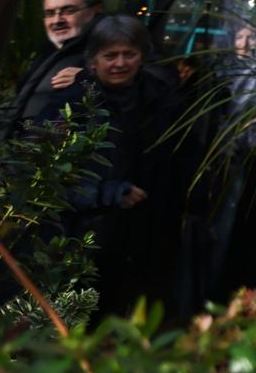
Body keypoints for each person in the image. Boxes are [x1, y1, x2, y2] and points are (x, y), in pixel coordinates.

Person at [70, 16, 184, 315]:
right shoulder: (73, 102)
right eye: (110, 56)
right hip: (82, 234)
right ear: (93, 61)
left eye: (129, 54)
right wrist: (106, 193)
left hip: (140, 233)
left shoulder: (160, 99)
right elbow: (46, 174)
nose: (120, 63)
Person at [6, 0, 103, 128]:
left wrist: (90, 77)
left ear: (96, 10)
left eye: (69, 11)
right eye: (50, 13)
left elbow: (142, 80)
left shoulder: (108, 47)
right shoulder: (48, 53)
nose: (57, 20)